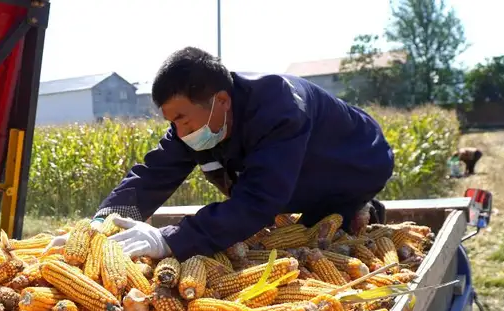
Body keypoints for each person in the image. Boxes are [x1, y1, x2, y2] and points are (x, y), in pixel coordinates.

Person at [47, 47, 394, 262]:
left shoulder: (280, 107)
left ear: (222, 101)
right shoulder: (201, 120)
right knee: (291, 233)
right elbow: (152, 175)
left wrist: (169, 240)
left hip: (358, 162)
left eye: (181, 119)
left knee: (321, 231)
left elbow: (257, 203)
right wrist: (97, 227)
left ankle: (356, 207)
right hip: (295, 173)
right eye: (171, 122)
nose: (179, 132)